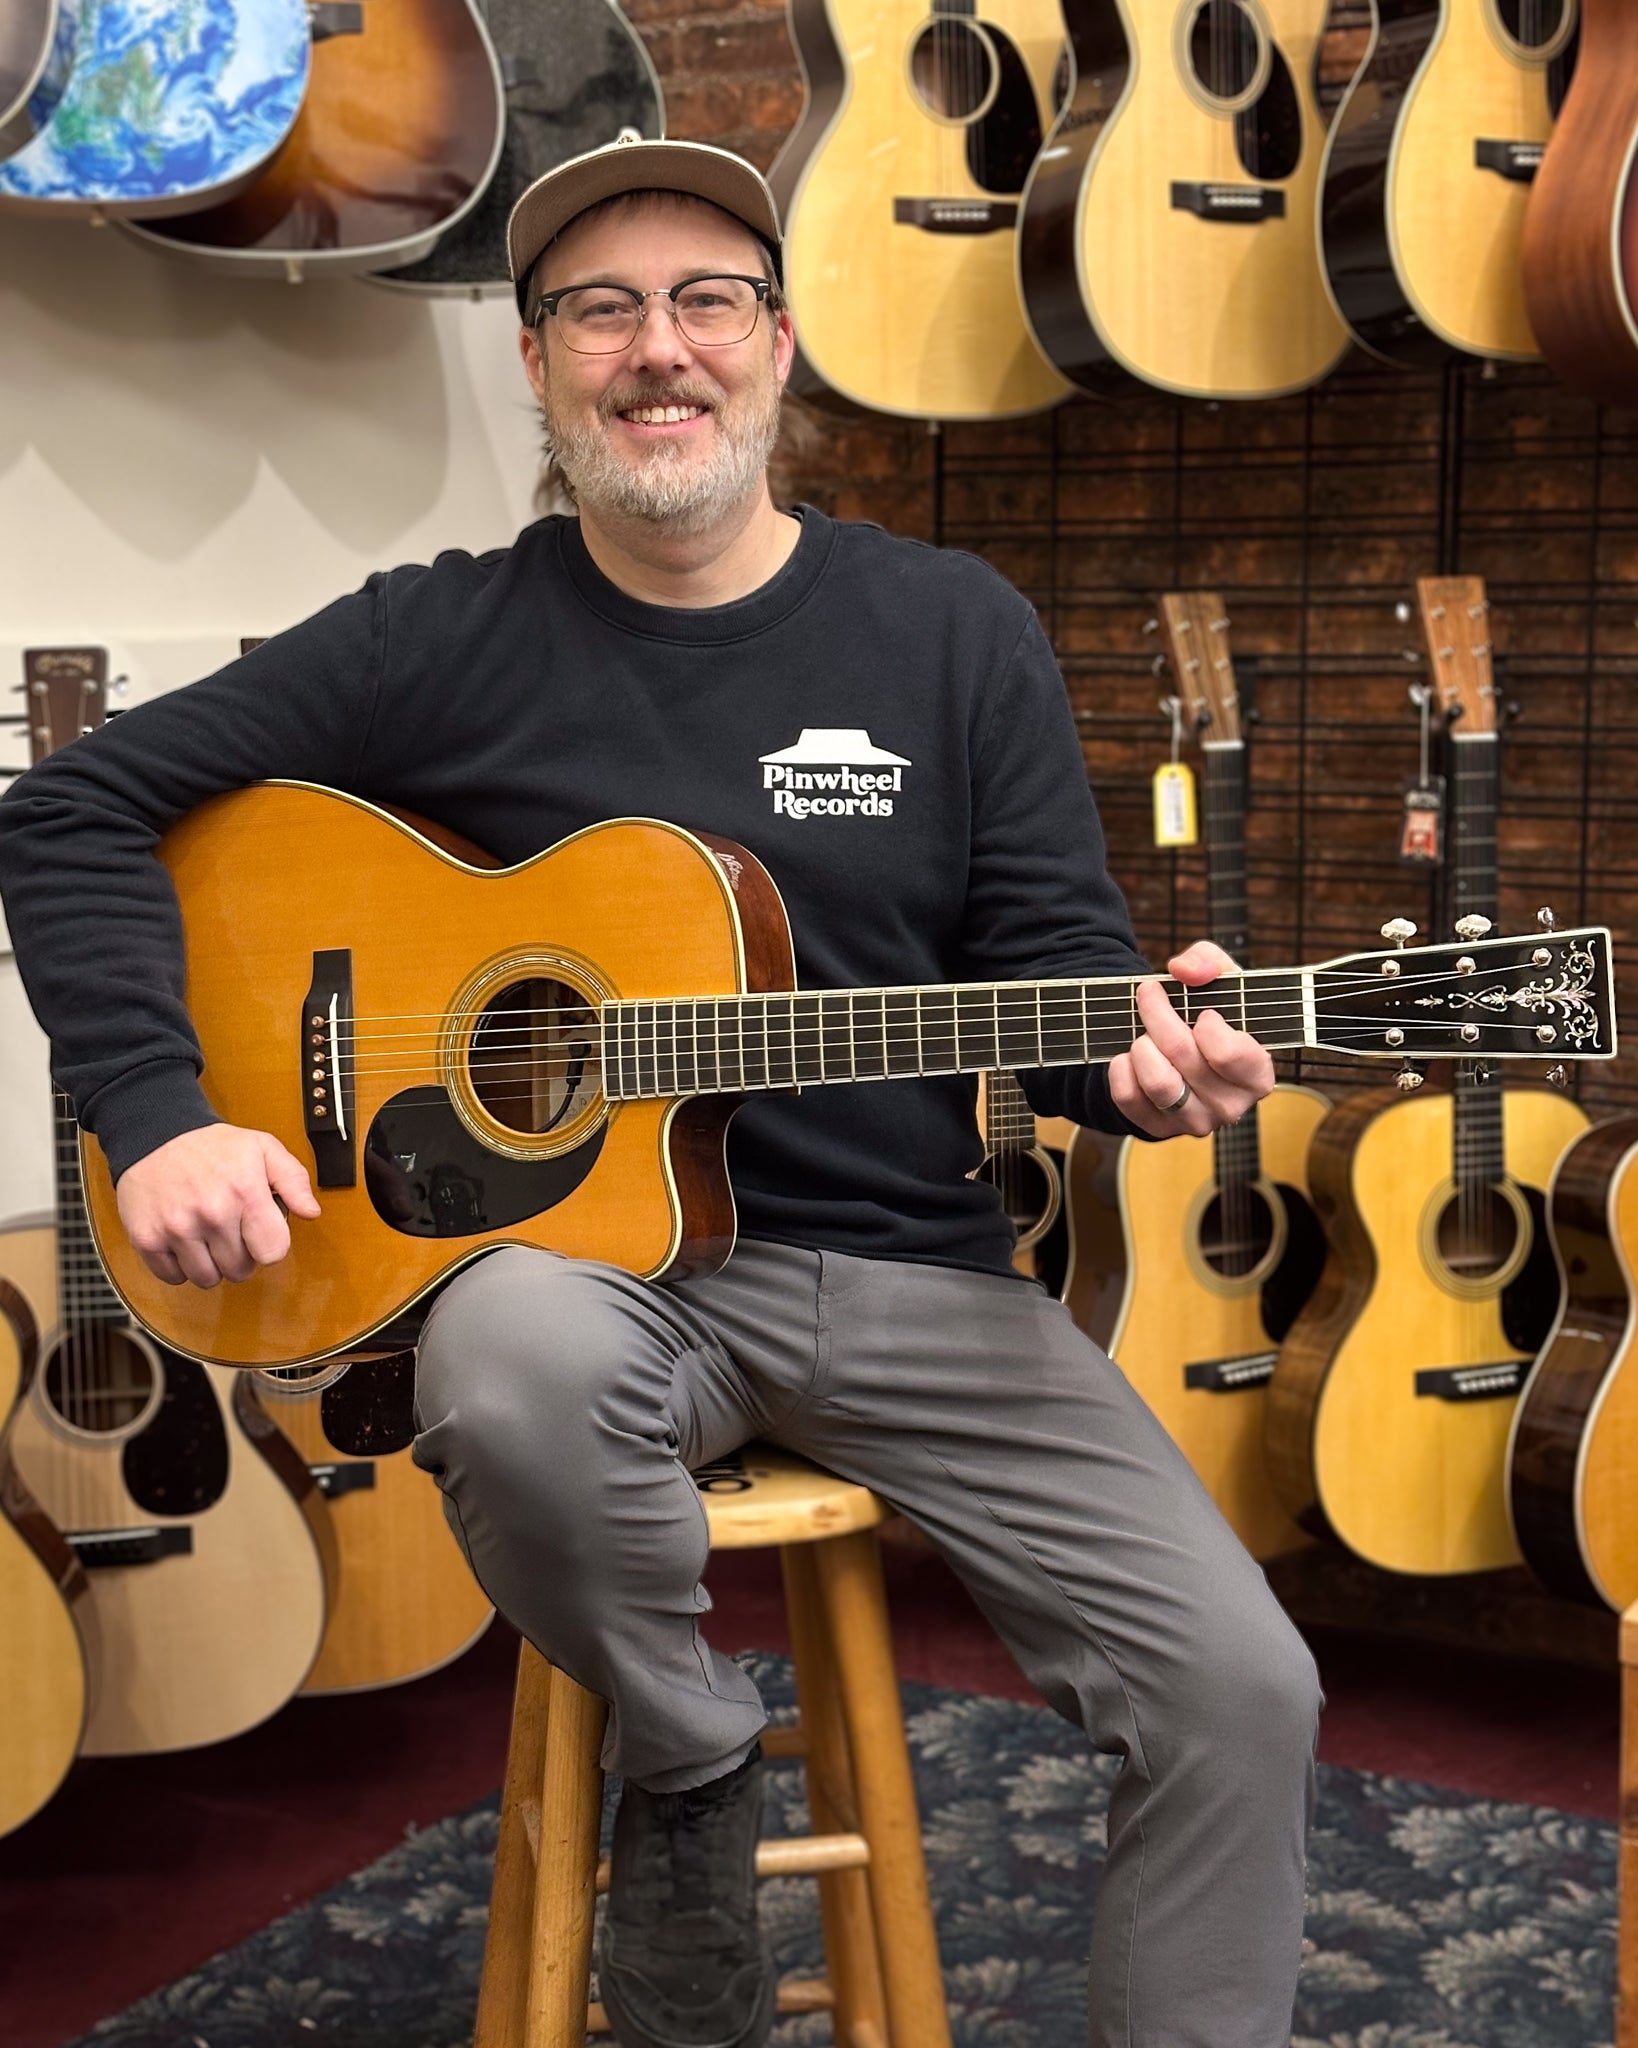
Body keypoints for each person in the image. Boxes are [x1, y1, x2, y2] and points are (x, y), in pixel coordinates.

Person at [0, 138, 1320, 2048]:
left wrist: (1144, 1067)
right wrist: (158, 1105)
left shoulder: (952, 634)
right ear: (537, 371)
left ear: (777, 346)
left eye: (705, 301)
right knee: (509, 1365)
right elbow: (70, 805)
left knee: (1242, 1691)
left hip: (914, 1277)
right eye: (597, 311)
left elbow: (1051, 988)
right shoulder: (437, 633)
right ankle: (693, 1747)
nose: (657, 351)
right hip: (595, 1283)